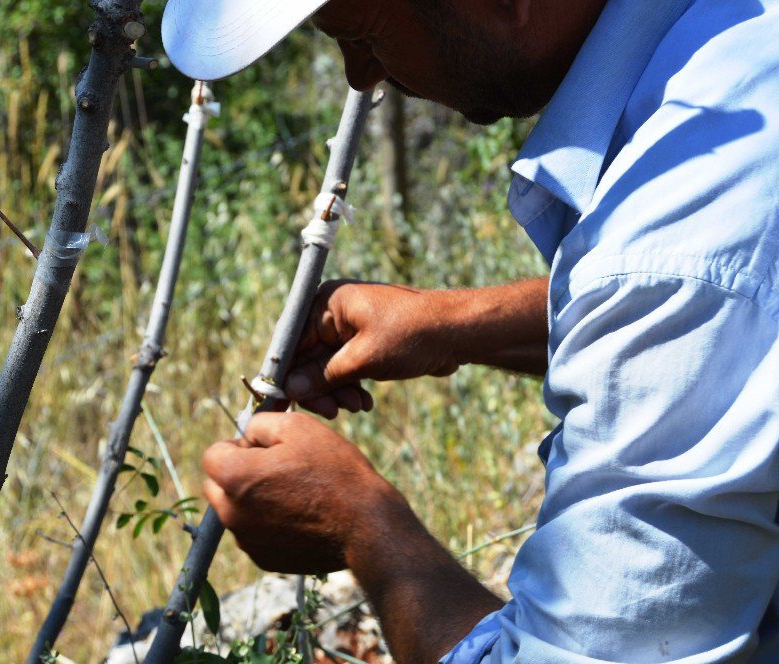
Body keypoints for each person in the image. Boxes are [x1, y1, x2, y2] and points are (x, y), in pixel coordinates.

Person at [161, 0, 779, 661]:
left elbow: (686, 292)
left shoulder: (676, 245)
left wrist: (360, 526)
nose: (360, 76)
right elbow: (735, 317)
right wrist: (461, 325)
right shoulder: (734, 48)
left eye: (363, 36)